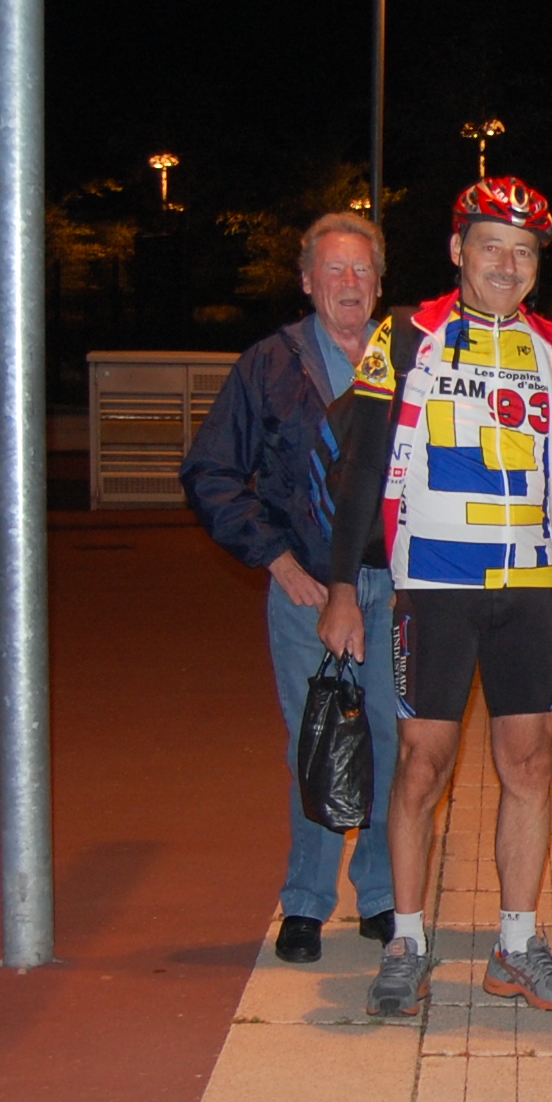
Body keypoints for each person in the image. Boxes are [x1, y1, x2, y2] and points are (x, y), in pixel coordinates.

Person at [317, 177, 552, 1019]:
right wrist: (342, 587)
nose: (508, 265)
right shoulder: (407, 336)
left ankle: (516, 946)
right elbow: (362, 469)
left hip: (525, 589)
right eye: (491, 247)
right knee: (423, 764)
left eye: (524, 252)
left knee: (531, 762)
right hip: (433, 588)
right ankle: (407, 941)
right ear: (458, 251)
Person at [180, 211, 402, 965]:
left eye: (362, 269)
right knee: (317, 740)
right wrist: (277, 560)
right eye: (334, 269)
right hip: (305, 588)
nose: (350, 283)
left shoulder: (411, 362)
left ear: (380, 283)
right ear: (307, 282)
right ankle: (306, 901)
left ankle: (381, 894)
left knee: (391, 742)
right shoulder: (270, 365)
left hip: (395, 588)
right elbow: (210, 471)